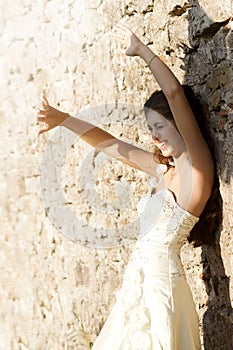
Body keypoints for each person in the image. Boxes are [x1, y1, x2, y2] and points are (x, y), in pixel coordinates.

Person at [38, 25, 217, 349]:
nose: (154, 136)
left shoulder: (197, 169)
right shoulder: (163, 169)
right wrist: (64, 119)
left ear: (181, 124)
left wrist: (143, 52)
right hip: (136, 287)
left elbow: (175, 94)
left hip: (164, 290)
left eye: (160, 126)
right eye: (150, 129)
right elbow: (109, 144)